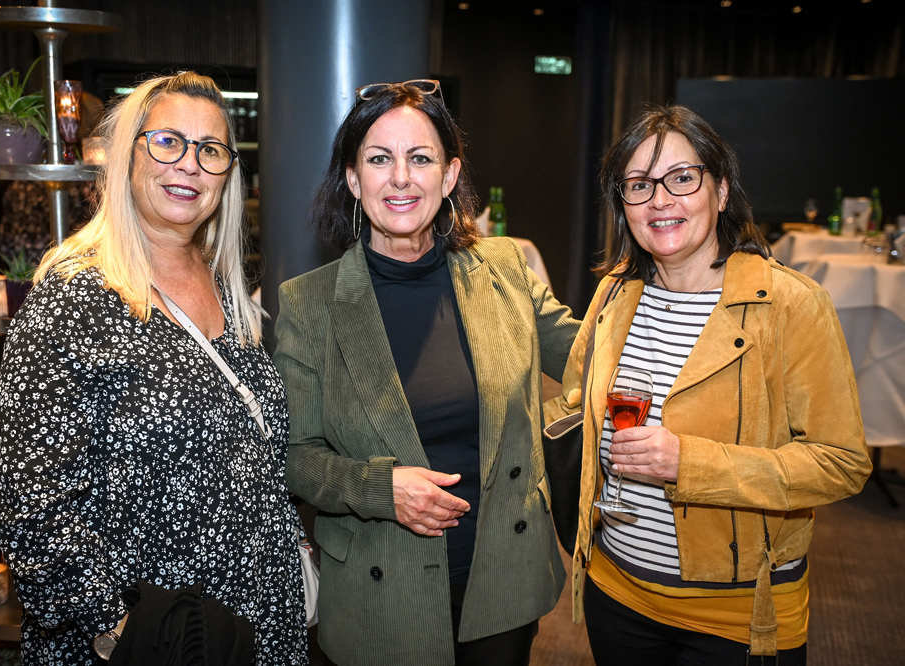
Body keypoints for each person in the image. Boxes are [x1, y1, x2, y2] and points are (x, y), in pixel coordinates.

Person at [0, 72, 308, 665]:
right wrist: (121, 631)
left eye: (210, 149)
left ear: (228, 174)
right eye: (167, 141)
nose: (189, 164)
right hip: (158, 640)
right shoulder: (74, 298)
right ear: (126, 155)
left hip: (258, 625)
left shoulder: (224, 284)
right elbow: (30, 505)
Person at [544, 105, 872, 666]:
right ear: (623, 204)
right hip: (615, 593)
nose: (660, 200)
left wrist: (688, 464)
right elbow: (577, 403)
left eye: (681, 178)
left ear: (721, 191)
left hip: (736, 617)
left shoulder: (790, 305)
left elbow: (841, 463)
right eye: (639, 185)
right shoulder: (615, 293)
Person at [273, 80, 580, 666]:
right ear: (352, 178)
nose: (401, 178)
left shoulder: (505, 269)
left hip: (502, 587)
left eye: (420, 159)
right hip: (382, 594)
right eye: (378, 159)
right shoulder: (310, 303)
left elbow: (595, 355)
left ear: (449, 175)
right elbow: (295, 456)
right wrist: (378, 488)